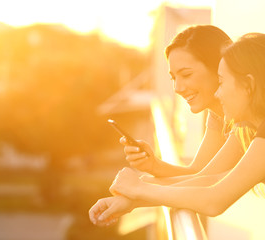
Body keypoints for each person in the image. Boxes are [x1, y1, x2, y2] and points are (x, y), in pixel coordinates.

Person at [109, 33, 265, 240]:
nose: (218, 92)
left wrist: (140, 190)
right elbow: (212, 180)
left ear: (248, 85)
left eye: (222, 82)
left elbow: (215, 198)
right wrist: (133, 198)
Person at [89, 25, 255, 226]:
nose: (178, 88)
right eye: (174, 78)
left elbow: (210, 182)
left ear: (220, 67)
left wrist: (137, 191)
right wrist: (153, 167)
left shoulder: (250, 119)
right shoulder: (219, 116)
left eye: (186, 75)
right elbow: (200, 173)